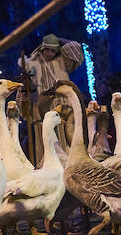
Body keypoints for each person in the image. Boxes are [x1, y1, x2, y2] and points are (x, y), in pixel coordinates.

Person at [17, 33, 83, 161]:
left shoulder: (62, 62)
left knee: (68, 147)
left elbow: (75, 48)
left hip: (64, 111)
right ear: (42, 48)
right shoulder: (32, 65)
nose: (50, 52)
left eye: (53, 50)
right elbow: (24, 86)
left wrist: (57, 39)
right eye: (47, 49)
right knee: (46, 151)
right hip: (42, 113)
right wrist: (25, 98)